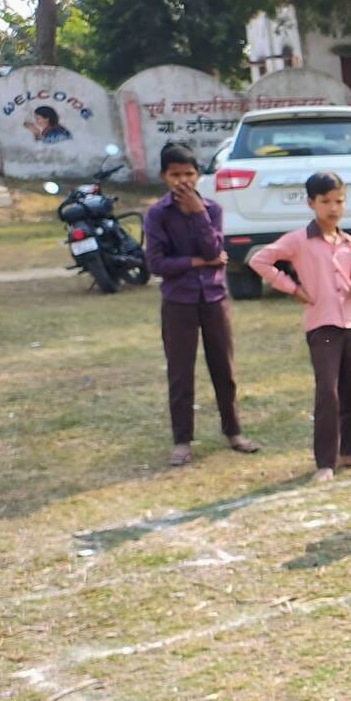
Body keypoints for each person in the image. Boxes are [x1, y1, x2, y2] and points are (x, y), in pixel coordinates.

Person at [248, 171, 351, 483]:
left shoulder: (349, 243)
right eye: (326, 201)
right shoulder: (299, 240)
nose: (333, 208)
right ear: (311, 203)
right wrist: (292, 287)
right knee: (327, 391)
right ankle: (325, 461)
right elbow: (260, 260)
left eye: (339, 201)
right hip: (322, 325)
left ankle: (350, 450)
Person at [144, 142, 258, 467]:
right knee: (181, 373)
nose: (183, 181)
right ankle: (182, 441)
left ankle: (234, 432)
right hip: (177, 302)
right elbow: (156, 263)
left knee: (223, 368)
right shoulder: (157, 214)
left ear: (198, 175)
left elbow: (214, 251)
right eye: (175, 174)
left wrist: (197, 214)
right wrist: (196, 261)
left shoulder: (212, 209)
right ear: (163, 176)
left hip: (213, 299)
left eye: (189, 174)